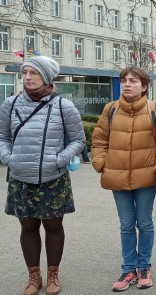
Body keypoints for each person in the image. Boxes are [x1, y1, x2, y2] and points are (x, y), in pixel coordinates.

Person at [0, 56, 85, 295]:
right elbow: (2, 138)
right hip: (20, 177)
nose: (27, 77)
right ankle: (33, 276)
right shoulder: (10, 104)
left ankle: (53, 274)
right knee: (27, 227)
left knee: (53, 225)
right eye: (25, 73)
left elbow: (78, 140)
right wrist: (9, 159)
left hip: (53, 177)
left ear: (47, 77)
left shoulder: (63, 106)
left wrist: (59, 160)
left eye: (33, 73)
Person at [91, 66, 156, 292]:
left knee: (144, 222)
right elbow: (99, 140)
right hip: (117, 176)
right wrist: (101, 164)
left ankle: (144, 267)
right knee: (127, 224)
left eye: (133, 81)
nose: (127, 84)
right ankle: (129, 268)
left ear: (144, 86)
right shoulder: (111, 109)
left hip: (146, 177)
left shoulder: (155, 110)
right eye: (124, 80)